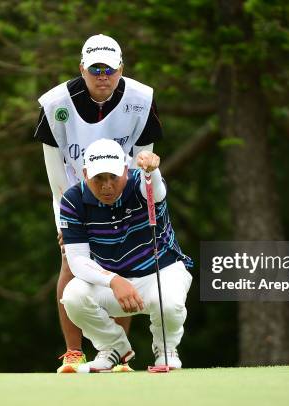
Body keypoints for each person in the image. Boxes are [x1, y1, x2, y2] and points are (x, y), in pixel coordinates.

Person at [34, 34, 163, 373]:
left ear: (121, 68)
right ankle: (74, 353)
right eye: (95, 69)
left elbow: (141, 166)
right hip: (74, 197)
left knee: (121, 265)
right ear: (82, 69)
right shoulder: (55, 104)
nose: (102, 76)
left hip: (122, 195)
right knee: (69, 266)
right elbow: (56, 176)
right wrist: (65, 223)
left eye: (109, 69)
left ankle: (118, 354)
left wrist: (136, 216)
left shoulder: (140, 100)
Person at [59, 139, 193, 372]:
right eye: (98, 178)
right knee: (73, 295)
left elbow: (157, 192)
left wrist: (153, 171)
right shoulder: (73, 199)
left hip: (160, 273)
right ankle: (113, 347)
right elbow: (77, 261)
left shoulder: (142, 182)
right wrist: (114, 280)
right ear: (84, 174)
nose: (107, 186)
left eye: (113, 177)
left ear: (125, 170)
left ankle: (166, 349)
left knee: (170, 303)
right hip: (113, 284)